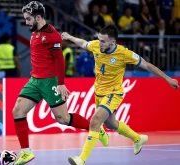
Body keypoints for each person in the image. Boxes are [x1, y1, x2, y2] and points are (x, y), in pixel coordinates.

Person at [61, 25, 179, 165]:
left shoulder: (124, 53)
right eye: (99, 40)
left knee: (95, 121)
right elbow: (83, 43)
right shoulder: (96, 46)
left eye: (103, 41)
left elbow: (147, 65)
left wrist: (167, 78)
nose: (100, 43)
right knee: (111, 124)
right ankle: (138, 139)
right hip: (98, 92)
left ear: (113, 42)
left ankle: (81, 159)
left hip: (113, 94)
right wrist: (69, 37)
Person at [12, 1, 109, 165]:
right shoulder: (34, 32)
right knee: (17, 111)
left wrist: (61, 83)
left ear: (38, 17)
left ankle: (96, 128)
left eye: (29, 19)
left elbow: (60, 60)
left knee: (62, 119)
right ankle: (26, 153)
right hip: (34, 80)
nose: (26, 22)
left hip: (50, 82)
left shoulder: (52, 35)